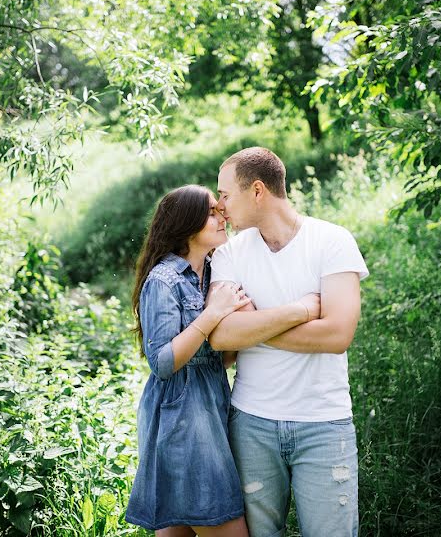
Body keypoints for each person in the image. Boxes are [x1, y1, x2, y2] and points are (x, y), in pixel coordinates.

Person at [125, 184, 320, 536]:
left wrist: (243, 318)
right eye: (211, 213)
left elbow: (221, 357)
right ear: (186, 225)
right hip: (179, 418)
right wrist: (213, 314)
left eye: (220, 209)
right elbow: (163, 363)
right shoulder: (163, 281)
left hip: (210, 406)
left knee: (178, 529)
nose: (222, 216)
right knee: (222, 522)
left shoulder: (212, 274)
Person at [207, 147, 369, 537]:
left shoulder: (332, 241)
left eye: (225, 194)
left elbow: (337, 335)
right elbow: (221, 334)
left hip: (323, 424)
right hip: (251, 423)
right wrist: (299, 310)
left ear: (258, 191)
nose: (220, 207)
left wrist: (256, 325)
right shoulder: (229, 252)